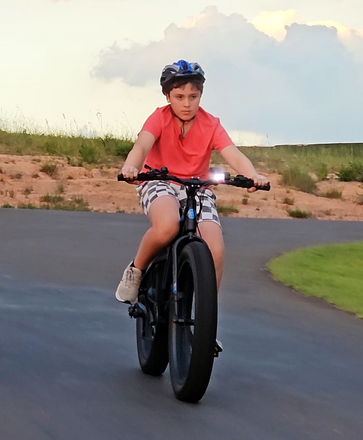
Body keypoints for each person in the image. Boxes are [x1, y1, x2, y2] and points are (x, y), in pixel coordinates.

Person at [115, 60, 269, 305]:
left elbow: (234, 154)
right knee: (167, 226)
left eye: (193, 96)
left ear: (200, 96)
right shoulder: (159, 118)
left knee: (215, 249)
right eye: (179, 97)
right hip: (158, 181)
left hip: (197, 188)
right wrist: (131, 167)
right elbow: (141, 146)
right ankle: (136, 270)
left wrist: (253, 175)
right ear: (168, 97)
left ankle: (206, 316)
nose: (187, 103)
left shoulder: (211, 124)